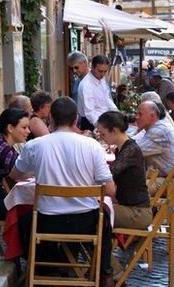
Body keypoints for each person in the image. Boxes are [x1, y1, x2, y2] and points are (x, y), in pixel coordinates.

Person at [12, 97, 116, 286]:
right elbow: (109, 190)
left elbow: (16, 174)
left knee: (24, 222)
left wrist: (38, 167)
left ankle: (43, 267)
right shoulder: (92, 146)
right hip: (85, 222)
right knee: (105, 220)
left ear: (51, 118)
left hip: (47, 221)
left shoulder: (36, 145)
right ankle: (104, 272)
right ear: (76, 120)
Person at [96, 111, 152, 229]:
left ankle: (96, 247)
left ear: (114, 131)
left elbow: (109, 174)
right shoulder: (123, 148)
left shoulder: (130, 150)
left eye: (103, 134)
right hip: (128, 206)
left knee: (92, 215)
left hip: (137, 212)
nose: (101, 137)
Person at [134, 101, 174, 195]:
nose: (137, 117)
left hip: (169, 182)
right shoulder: (158, 126)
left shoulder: (158, 131)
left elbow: (134, 151)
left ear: (152, 116)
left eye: (140, 114)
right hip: (167, 177)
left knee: (126, 190)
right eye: (136, 114)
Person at [76, 55, 118, 131]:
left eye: (105, 71)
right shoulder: (86, 85)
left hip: (104, 121)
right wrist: (100, 127)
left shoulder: (101, 78)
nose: (102, 74)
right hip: (91, 124)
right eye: (100, 71)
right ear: (92, 67)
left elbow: (106, 99)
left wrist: (116, 112)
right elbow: (90, 112)